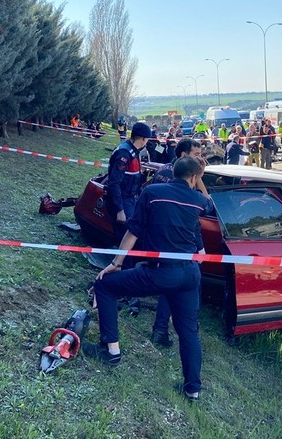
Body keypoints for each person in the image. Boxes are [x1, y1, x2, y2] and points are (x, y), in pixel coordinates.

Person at [91, 156, 212, 401]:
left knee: (104, 285)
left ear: (173, 172)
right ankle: (193, 389)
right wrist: (199, 179)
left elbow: (133, 231)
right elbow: (207, 204)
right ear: (193, 178)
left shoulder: (152, 192)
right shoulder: (199, 201)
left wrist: (116, 263)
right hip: (190, 274)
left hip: (161, 271)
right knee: (188, 331)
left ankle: (111, 350)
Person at [149, 140, 209, 346]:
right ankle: (169, 329)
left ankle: (163, 329)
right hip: (178, 242)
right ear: (185, 155)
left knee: (170, 284)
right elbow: (203, 207)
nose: (200, 158)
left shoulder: (164, 170)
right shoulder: (184, 182)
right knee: (179, 285)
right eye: (196, 154)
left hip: (157, 238)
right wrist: (199, 177)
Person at [105, 122, 153, 244]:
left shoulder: (132, 151)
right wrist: (119, 209)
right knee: (125, 238)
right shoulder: (124, 153)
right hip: (123, 200)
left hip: (129, 198)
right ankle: (121, 262)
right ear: (143, 139)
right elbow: (114, 182)